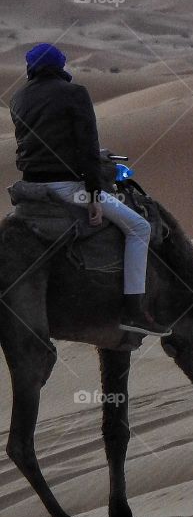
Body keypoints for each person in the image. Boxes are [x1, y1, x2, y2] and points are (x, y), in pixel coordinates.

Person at [9, 43, 170, 336]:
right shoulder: (74, 94)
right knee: (139, 227)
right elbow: (86, 147)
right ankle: (134, 312)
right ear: (60, 65)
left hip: (30, 190)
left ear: (30, 67)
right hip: (69, 188)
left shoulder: (18, 98)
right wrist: (94, 196)